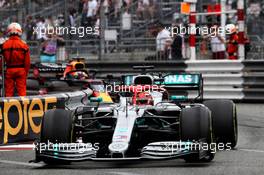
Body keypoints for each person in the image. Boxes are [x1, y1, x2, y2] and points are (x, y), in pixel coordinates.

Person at [0, 23, 30, 97]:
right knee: (22, 92)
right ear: (19, 32)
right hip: (21, 70)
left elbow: (1, 60)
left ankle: (8, 107)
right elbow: (27, 62)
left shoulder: (4, 45)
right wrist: (26, 72)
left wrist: (1, 71)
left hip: (9, 70)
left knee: (8, 92)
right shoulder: (24, 45)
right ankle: (23, 107)